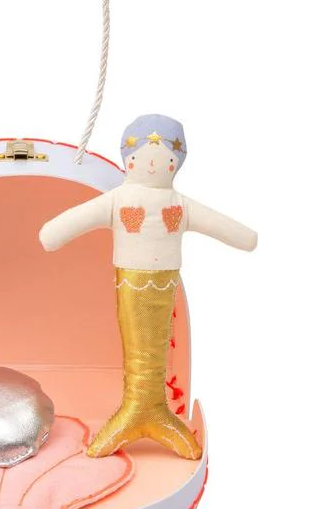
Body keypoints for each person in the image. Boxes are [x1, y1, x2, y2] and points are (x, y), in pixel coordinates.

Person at [39, 114, 257, 459]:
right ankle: (140, 408)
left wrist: (248, 239)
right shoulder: (119, 200)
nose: (153, 164)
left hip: (161, 278)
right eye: (142, 157)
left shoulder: (177, 205)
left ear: (176, 164)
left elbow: (225, 227)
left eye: (165, 159)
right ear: (129, 160)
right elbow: (66, 226)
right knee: (137, 337)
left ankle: (149, 408)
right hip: (132, 278)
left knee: (153, 344)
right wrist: (52, 235)